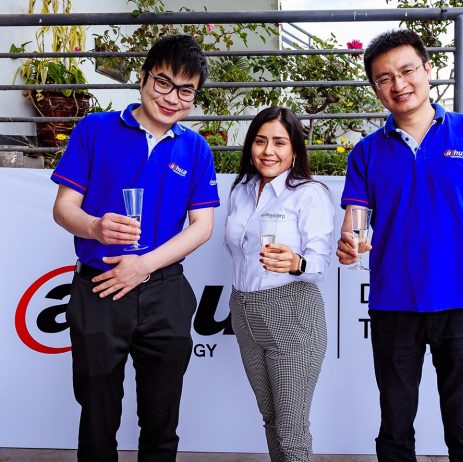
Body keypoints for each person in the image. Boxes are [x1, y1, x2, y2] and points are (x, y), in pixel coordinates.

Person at [337, 29, 463, 462]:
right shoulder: (365, 153)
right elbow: (355, 225)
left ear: (427, 69)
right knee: (395, 433)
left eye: (407, 71)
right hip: (394, 306)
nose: (398, 84)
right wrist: (349, 244)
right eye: (384, 78)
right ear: (375, 88)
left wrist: (458, 256)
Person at [51, 35, 219, 462]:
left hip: (165, 291)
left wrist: (143, 266)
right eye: (163, 82)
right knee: (97, 415)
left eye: (186, 91)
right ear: (143, 78)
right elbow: (63, 208)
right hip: (99, 288)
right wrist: (95, 226)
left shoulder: (196, 148)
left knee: (162, 419)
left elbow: (202, 227)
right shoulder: (95, 129)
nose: (172, 98)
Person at [225, 106, 334, 462]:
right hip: (244, 311)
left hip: (291, 313)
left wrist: (296, 262)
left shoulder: (308, 193)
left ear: (295, 150)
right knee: (270, 418)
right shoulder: (241, 190)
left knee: (291, 429)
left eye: (279, 142)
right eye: (260, 141)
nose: (268, 151)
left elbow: (320, 262)